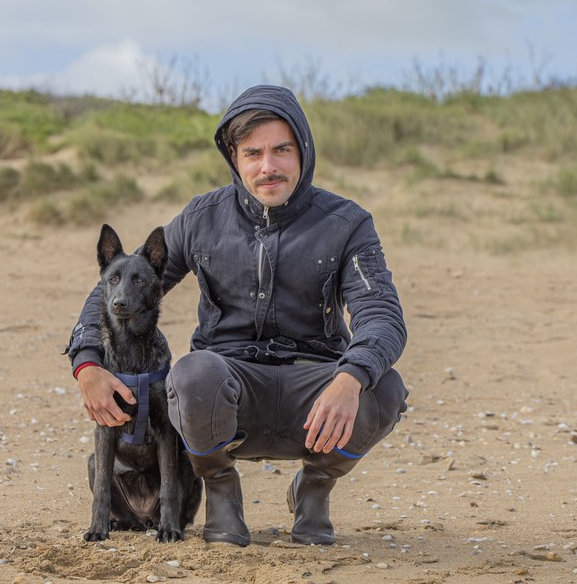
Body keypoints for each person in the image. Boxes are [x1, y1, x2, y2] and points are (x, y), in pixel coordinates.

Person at [65, 84, 408, 547]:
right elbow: (115, 286)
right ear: (234, 156)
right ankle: (221, 492)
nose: (268, 167)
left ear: (303, 150)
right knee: (191, 374)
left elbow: (383, 314)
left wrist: (351, 378)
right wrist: (86, 363)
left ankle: (315, 487)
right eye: (253, 153)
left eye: (282, 150)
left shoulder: (347, 223)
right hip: (227, 388)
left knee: (384, 388)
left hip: (315, 390)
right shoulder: (200, 219)